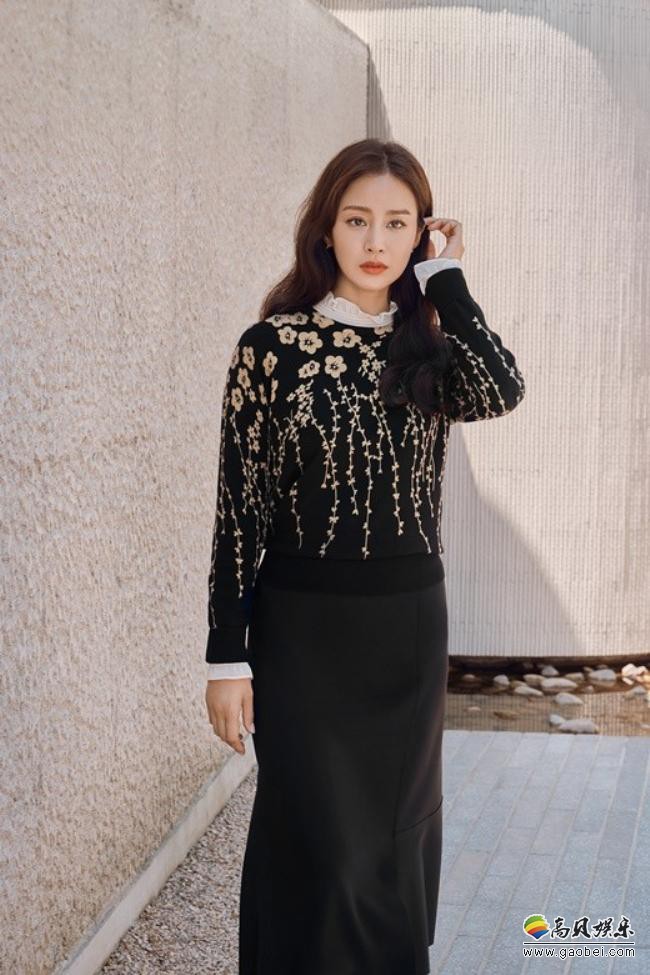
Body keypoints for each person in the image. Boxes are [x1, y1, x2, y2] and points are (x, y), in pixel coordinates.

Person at [204, 138, 525, 975]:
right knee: (313, 840)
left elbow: (503, 387)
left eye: (397, 223)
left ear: (420, 232)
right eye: (356, 220)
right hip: (301, 634)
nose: (375, 241)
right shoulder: (271, 347)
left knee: (390, 845)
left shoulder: (431, 351)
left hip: (406, 630)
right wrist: (225, 657)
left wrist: (446, 281)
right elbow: (239, 510)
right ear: (326, 229)